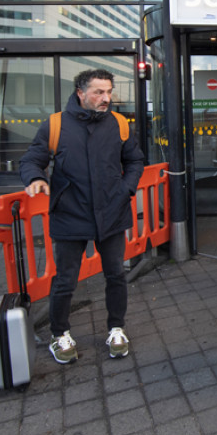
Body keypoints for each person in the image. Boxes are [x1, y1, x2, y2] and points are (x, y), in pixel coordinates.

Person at [20, 68, 145, 364]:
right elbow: (32, 159)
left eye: (109, 91)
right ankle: (59, 334)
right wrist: (35, 177)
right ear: (81, 93)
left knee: (116, 274)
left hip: (111, 211)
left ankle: (117, 328)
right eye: (99, 92)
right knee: (65, 279)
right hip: (70, 212)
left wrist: (125, 190)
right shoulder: (56, 124)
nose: (106, 98)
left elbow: (135, 161)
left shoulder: (119, 124)